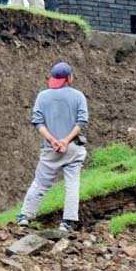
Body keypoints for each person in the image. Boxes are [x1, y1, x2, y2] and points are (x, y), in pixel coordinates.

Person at [17, 62, 88, 233]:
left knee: (40, 183)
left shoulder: (42, 96)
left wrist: (53, 140)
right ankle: (67, 222)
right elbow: (82, 121)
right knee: (72, 184)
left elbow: (37, 121)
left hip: (51, 149)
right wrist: (65, 140)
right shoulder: (79, 96)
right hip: (72, 147)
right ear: (69, 78)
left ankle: (24, 216)